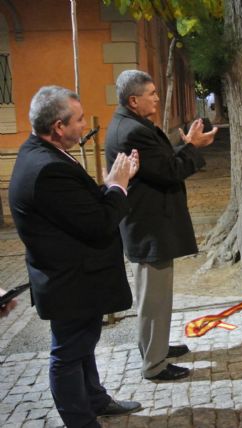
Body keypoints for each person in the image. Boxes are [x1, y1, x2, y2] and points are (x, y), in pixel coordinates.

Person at [9, 86, 141, 427]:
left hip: (73, 277)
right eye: (79, 120)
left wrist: (110, 184)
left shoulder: (42, 153)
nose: (84, 125)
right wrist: (119, 186)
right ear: (58, 126)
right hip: (69, 280)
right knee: (68, 354)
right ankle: (80, 421)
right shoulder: (47, 167)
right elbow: (97, 223)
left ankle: (95, 399)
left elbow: (75, 208)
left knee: (83, 345)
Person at [105, 70, 217, 381]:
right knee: (153, 298)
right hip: (149, 226)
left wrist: (187, 145)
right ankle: (154, 364)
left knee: (154, 295)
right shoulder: (133, 131)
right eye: (151, 93)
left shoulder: (131, 124)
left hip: (148, 224)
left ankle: (156, 347)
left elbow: (158, 162)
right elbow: (169, 171)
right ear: (133, 100)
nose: (157, 97)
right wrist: (193, 147)